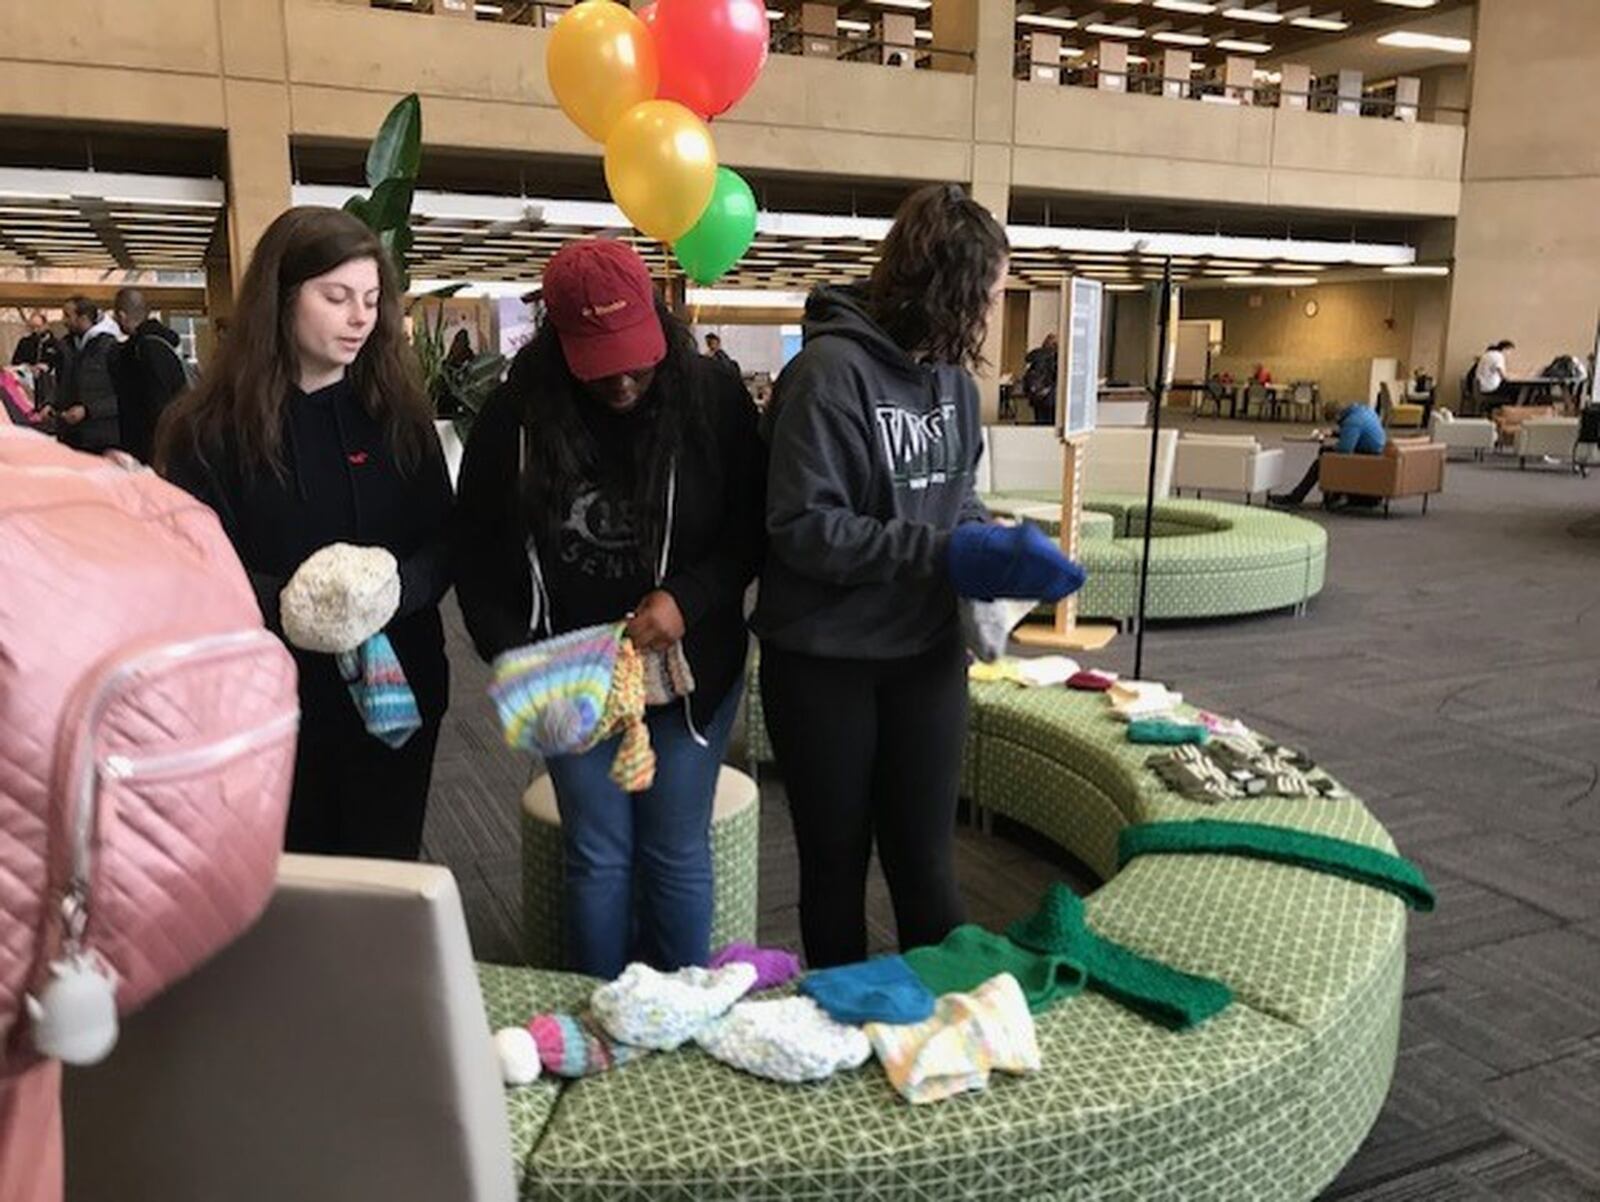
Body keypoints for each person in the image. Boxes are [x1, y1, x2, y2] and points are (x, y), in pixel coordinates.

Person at [455, 239, 765, 979]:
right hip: (569, 672)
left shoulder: (711, 398)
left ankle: (682, 1016)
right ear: (559, 342)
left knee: (672, 844)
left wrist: (687, 599)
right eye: (600, 363)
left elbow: (752, 529)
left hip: (692, 669)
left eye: (637, 356)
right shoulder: (515, 418)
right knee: (598, 853)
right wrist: (518, 660)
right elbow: (477, 554)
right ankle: (604, 1020)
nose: (624, 379)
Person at [753, 183, 1010, 968]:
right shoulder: (827, 375)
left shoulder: (955, 386)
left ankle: (942, 1036)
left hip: (925, 658)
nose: (993, 315)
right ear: (951, 291)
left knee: (927, 867)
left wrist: (988, 540)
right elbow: (804, 530)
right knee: (835, 869)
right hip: (824, 663)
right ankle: (842, 1038)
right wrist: (939, 552)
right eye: (989, 297)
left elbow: (954, 496)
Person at [157, 206, 453, 860]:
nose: (360, 318)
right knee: (288, 885)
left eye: (373, 301)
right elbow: (192, 569)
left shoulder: (397, 415)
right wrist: (293, 606)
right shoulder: (209, 430)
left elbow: (445, 542)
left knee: (385, 874)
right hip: (268, 705)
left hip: (394, 694)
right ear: (282, 299)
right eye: (337, 297)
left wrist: (393, 592)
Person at [109, 287, 189, 464]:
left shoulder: (141, 348)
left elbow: (155, 400)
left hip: (147, 442)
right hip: (170, 435)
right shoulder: (165, 342)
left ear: (122, 316)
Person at [1268, 400, 1387, 511]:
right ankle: (1332, 495)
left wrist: (1329, 449)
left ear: (1337, 416)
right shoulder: (1362, 411)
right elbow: (1357, 433)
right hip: (1376, 455)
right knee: (1325, 453)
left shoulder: (1353, 422)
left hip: (1369, 458)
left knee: (1322, 460)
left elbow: (1345, 449)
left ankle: (1296, 497)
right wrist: (1334, 433)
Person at [53, 296, 122, 453]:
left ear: (83, 318)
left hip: (101, 437)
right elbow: (62, 383)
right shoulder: (66, 346)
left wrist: (88, 410)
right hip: (70, 437)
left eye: (67, 315)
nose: (63, 321)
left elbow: (123, 394)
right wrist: (52, 404)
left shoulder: (110, 347)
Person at [1021, 332, 1058, 425]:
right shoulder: (1054, 357)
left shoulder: (1035, 356)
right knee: (1050, 427)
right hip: (1050, 397)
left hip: (1036, 396)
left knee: (1039, 423)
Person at [1475, 339, 1517, 411]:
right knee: (1516, 391)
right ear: (1505, 349)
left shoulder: (1488, 354)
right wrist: (1513, 377)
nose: (1509, 354)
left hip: (1480, 386)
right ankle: (1508, 413)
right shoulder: (1499, 356)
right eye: (1509, 351)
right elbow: (1503, 376)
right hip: (1490, 388)